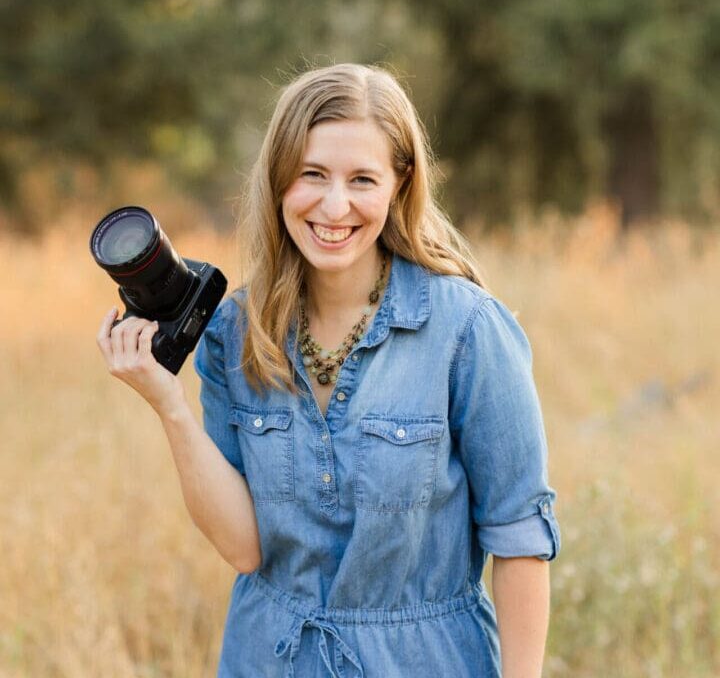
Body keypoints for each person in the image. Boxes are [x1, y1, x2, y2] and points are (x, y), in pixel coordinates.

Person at [96, 63, 561, 678]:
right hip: (268, 659)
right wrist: (168, 405)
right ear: (279, 179)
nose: (334, 205)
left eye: (362, 178)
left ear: (400, 185)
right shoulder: (235, 331)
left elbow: (519, 538)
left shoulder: (467, 330)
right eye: (312, 174)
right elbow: (244, 547)